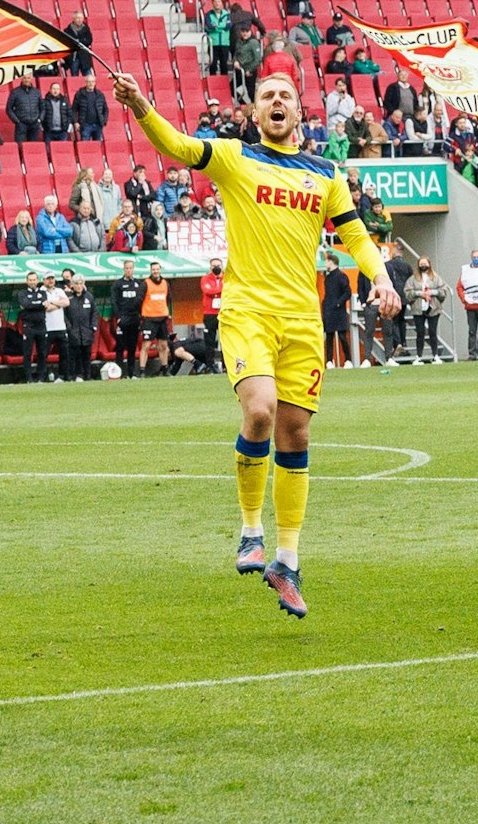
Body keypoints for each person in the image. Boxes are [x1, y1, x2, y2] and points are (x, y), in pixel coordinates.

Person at [112, 67, 400, 618]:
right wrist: (141, 104)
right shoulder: (234, 157)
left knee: (296, 433)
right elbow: (176, 145)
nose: (276, 101)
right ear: (254, 111)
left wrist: (381, 276)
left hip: (302, 322)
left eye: (285, 95)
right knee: (261, 410)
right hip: (247, 313)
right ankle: (250, 531)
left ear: (299, 111)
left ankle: (287, 560)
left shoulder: (326, 174)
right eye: (266, 95)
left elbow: (356, 235)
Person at [109, 257, 146, 379]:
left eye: (131, 268)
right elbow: (114, 301)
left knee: (132, 347)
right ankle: (119, 373)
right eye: (127, 268)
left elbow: (143, 301)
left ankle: (131, 373)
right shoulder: (117, 284)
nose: (129, 270)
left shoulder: (139, 284)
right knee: (120, 347)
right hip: (123, 319)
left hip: (134, 318)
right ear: (123, 269)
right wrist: (118, 317)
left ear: (133, 269)